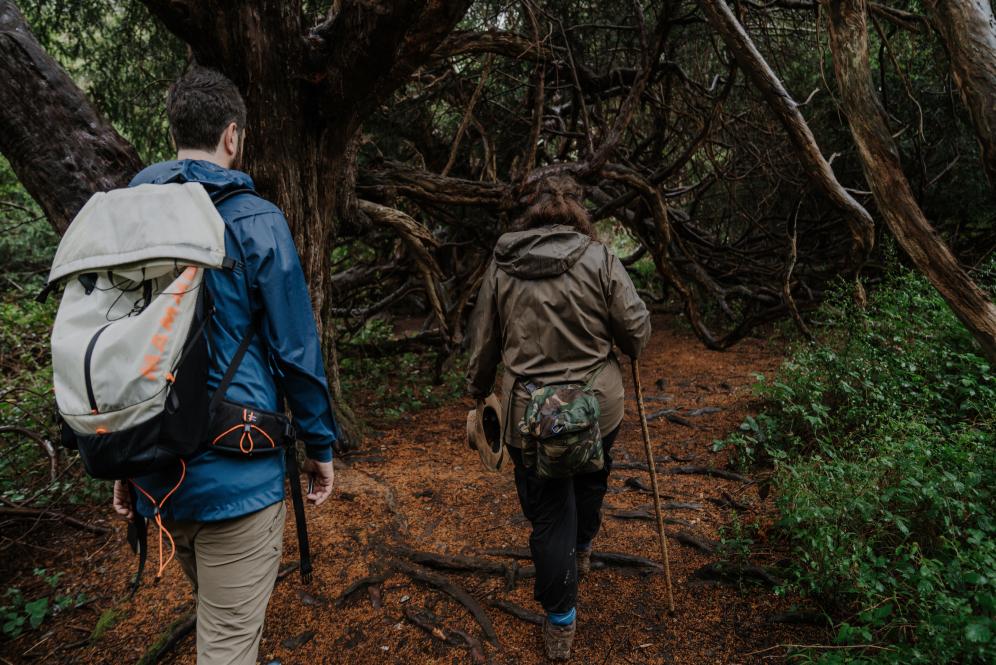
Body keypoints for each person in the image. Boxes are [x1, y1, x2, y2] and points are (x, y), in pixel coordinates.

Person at [110, 66, 337, 665]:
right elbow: (295, 350)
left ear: (174, 134)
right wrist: (319, 445)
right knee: (228, 641)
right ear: (232, 135)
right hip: (239, 471)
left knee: (224, 617)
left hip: (153, 465)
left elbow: (117, 347)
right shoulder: (256, 220)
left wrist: (120, 455)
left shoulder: (129, 220)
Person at [464, 174, 651, 660]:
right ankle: (583, 544)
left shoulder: (503, 266)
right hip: (597, 408)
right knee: (590, 480)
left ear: (530, 217)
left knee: (549, 514)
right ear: (575, 216)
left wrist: (477, 389)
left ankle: (561, 621)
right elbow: (635, 333)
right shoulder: (600, 258)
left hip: (527, 416)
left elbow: (483, 340)